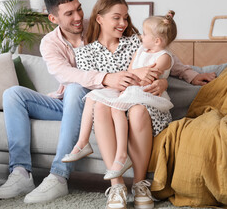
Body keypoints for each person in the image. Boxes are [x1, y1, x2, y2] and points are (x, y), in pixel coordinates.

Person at [0, 0, 215, 205]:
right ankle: (20, 173)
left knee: (81, 92)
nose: (78, 17)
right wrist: (109, 77)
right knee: (16, 94)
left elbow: (156, 51)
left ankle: (61, 175)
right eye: (69, 14)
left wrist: (187, 75)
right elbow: (67, 74)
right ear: (53, 18)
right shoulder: (51, 43)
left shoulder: (105, 25)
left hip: (106, 100)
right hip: (77, 102)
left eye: (79, 9)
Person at [62, 11, 178, 185]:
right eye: (116, 17)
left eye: (144, 34)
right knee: (93, 98)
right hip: (131, 89)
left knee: (117, 107)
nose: (140, 36)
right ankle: (83, 142)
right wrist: (129, 76)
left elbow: (147, 78)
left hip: (145, 93)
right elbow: (133, 71)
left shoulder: (161, 56)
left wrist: (162, 82)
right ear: (100, 19)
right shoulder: (140, 49)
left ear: (157, 41)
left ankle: (122, 156)